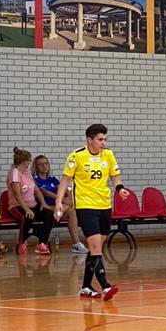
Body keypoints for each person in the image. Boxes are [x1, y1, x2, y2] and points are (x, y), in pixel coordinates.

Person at [56, 123, 123, 300]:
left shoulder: (108, 154)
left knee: (96, 249)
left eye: (105, 139)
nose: (103, 143)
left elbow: (115, 176)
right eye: (100, 139)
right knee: (94, 247)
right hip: (85, 206)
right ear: (89, 140)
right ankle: (105, 286)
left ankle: (86, 287)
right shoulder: (77, 156)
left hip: (104, 205)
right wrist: (58, 202)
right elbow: (65, 180)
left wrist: (120, 188)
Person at [6, 148, 52, 255]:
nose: (30, 163)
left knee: (49, 214)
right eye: (29, 160)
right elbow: (17, 194)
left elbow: (36, 190)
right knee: (27, 216)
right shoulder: (14, 173)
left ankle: (42, 244)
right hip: (17, 206)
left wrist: (43, 203)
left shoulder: (26, 172)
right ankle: (21, 244)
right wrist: (27, 209)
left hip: (32, 205)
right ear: (24, 161)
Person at [31, 155, 80, 253]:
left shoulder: (52, 178)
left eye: (46, 163)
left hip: (57, 207)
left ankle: (76, 243)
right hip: (45, 208)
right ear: (36, 167)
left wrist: (69, 197)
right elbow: (45, 193)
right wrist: (63, 200)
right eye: (40, 164)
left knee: (72, 211)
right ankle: (58, 213)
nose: (44, 166)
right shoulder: (35, 180)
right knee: (68, 207)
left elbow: (63, 189)